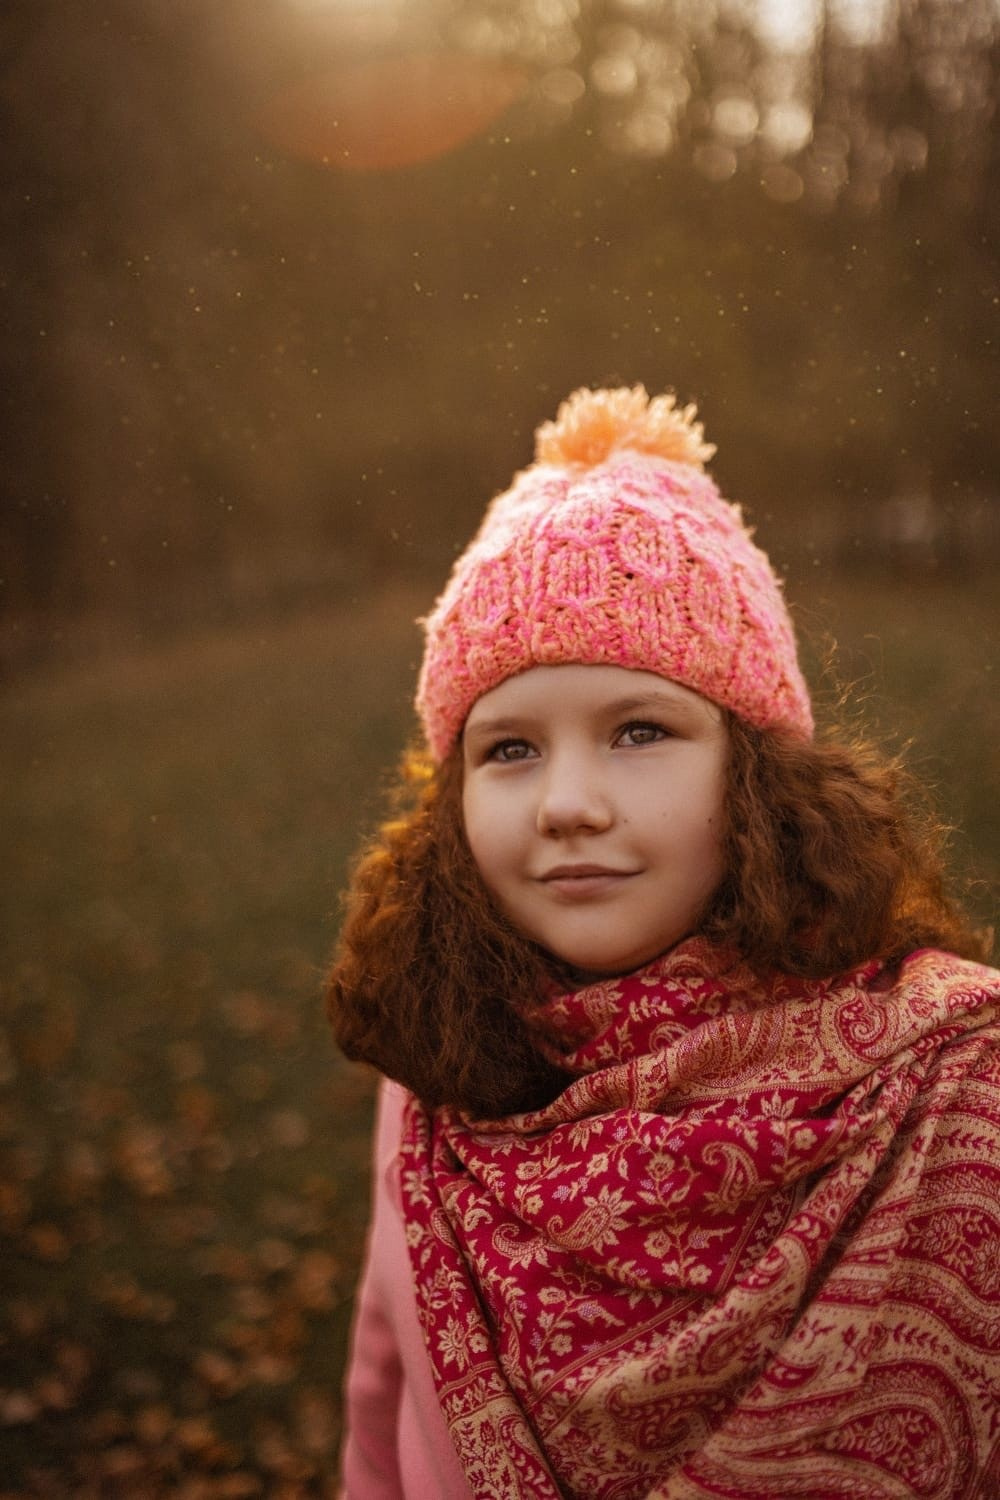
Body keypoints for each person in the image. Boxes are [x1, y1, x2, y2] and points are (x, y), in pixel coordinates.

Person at [326, 385, 999, 1499]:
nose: (568, 803)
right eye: (508, 750)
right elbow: (378, 1414)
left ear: (754, 772)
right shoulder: (437, 1081)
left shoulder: (952, 1094)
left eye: (640, 730)